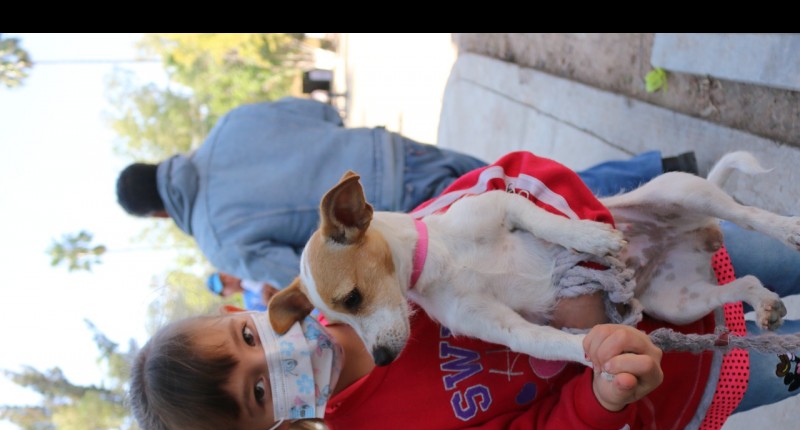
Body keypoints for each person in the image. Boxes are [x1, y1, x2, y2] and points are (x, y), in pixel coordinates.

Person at [126, 151, 800, 430]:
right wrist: (601, 397)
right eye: (257, 393)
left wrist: (586, 267)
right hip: (691, 380)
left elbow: (514, 184)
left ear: (242, 313)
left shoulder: (369, 262)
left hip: (682, 252)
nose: (273, 360)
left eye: (248, 340)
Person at [114, 96, 695, 290]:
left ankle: (673, 204)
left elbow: (316, 273)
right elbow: (321, 113)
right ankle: (662, 174)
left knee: (540, 218)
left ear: (160, 214)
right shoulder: (229, 125)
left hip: (402, 216)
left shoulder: (218, 241)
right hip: (400, 154)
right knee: (532, 192)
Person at [206, 271, 278, 312]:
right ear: (225, 295)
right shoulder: (251, 306)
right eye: (224, 285)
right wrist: (270, 303)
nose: (228, 281)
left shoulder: (249, 269)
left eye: (224, 277)